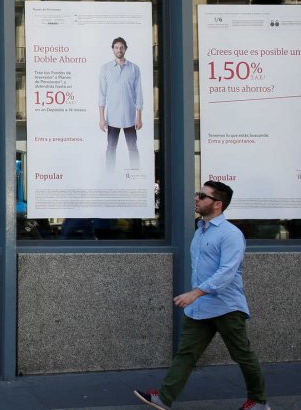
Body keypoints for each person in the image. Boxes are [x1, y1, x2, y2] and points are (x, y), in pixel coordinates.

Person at [133, 181, 270, 410]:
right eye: (198, 194)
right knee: (186, 353)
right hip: (201, 307)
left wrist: (195, 293)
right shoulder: (200, 230)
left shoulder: (230, 234)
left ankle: (258, 402)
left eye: (203, 196)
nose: (196, 198)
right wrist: (197, 297)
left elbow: (226, 273)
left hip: (227, 307)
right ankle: (163, 398)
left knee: (243, 355)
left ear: (218, 204)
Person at [98, 36, 143, 171]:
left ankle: (135, 173)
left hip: (130, 117)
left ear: (125, 49)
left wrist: (139, 117)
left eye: (121, 47)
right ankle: (110, 175)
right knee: (111, 148)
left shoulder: (134, 69)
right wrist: (102, 118)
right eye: (116, 47)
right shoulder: (105, 69)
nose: (119, 50)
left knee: (133, 148)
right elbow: (101, 95)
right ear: (113, 49)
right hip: (112, 117)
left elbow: (138, 93)